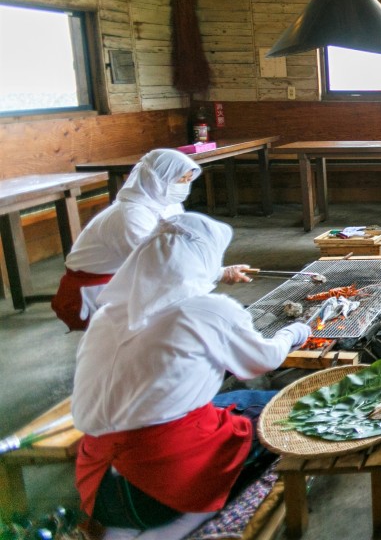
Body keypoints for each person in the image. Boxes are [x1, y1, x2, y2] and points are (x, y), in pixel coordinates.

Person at [73, 213, 311, 532]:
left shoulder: (108, 314)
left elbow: (171, 280)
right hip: (157, 491)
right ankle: (190, 520)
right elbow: (264, 360)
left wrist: (219, 274)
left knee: (236, 398)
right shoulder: (210, 311)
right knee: (286, 410)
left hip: (98, 489)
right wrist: (295, 332)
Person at [50, 149, 251, 331]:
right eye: (181, 180)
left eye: (189, 180)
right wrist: (218, 273)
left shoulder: (166, 204)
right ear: (157, 179)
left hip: (126, 279)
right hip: (96, 291)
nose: (185, 187)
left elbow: (181, 250)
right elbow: (159, 265)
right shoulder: (131, 214)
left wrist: (218, 270)